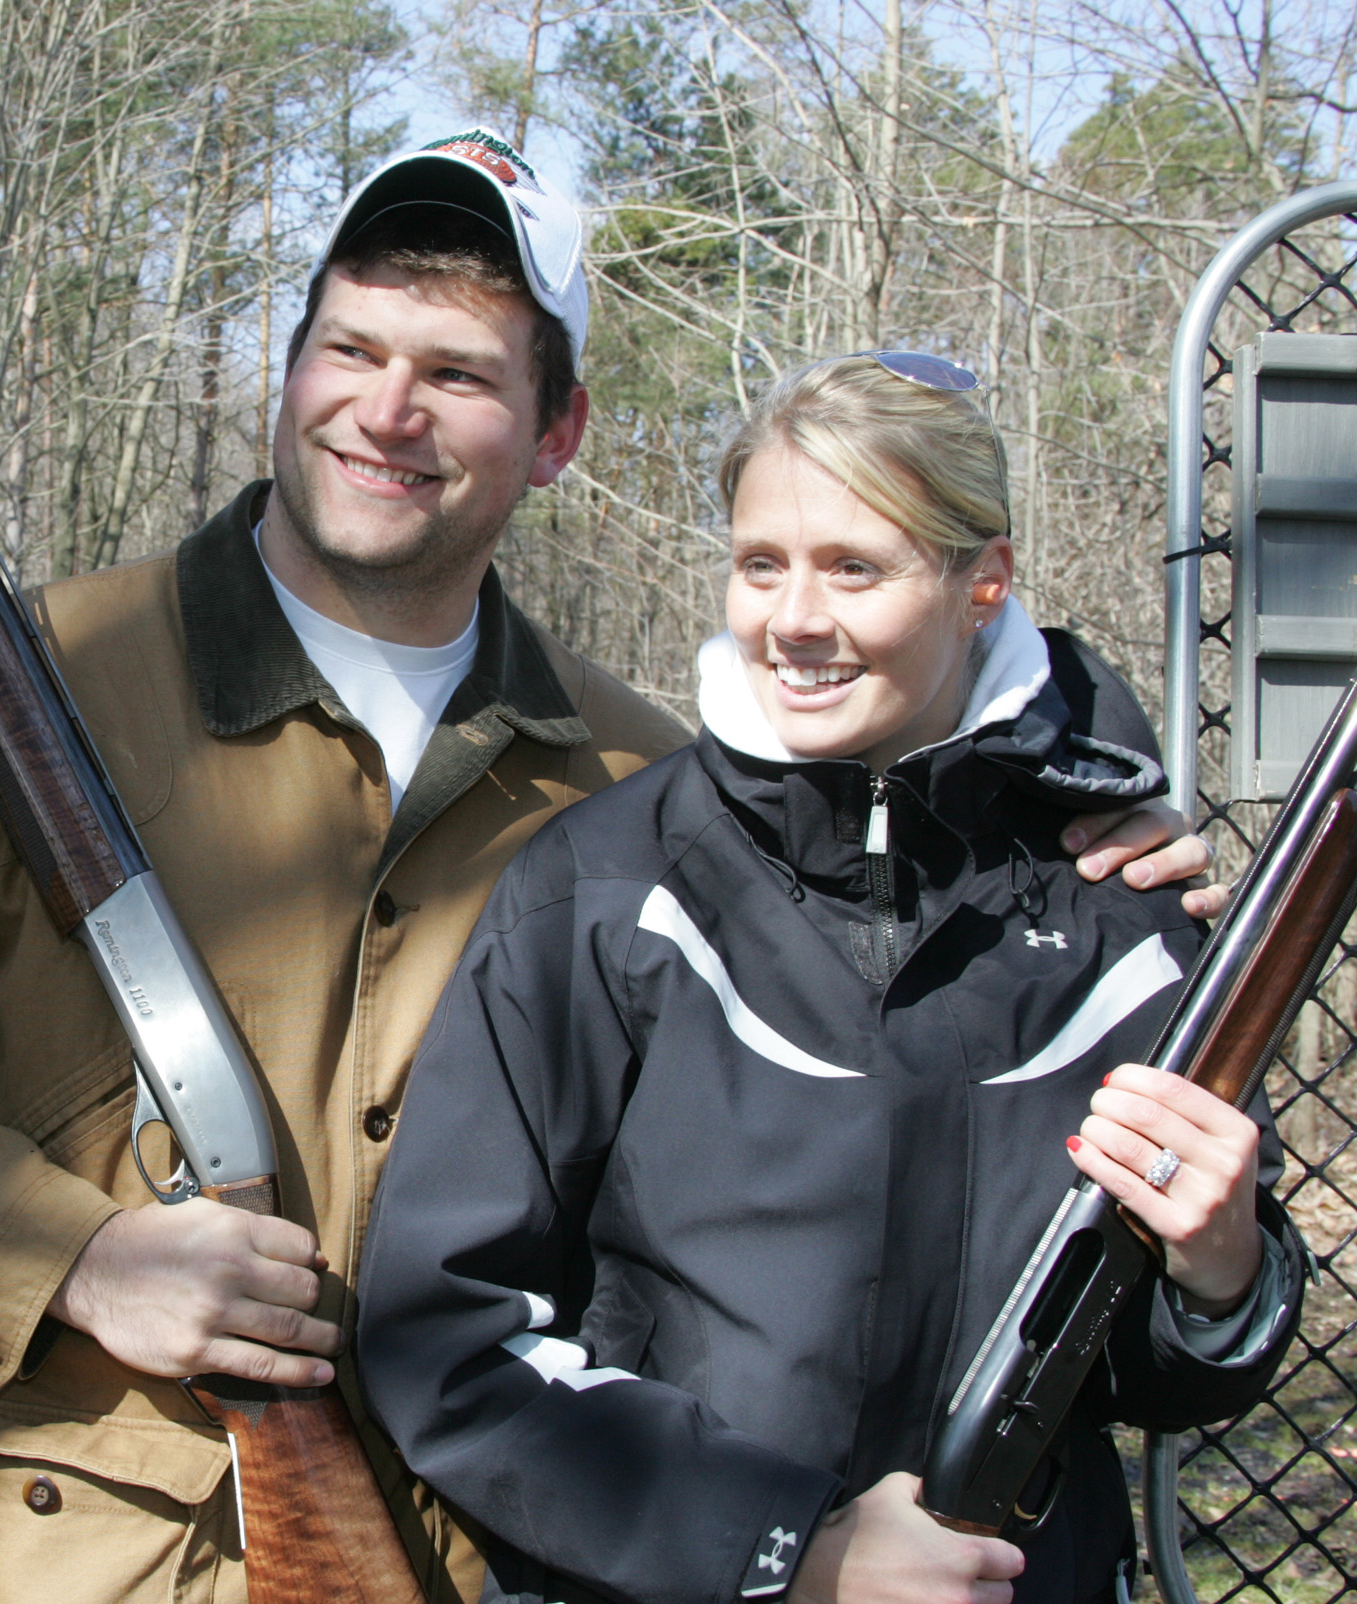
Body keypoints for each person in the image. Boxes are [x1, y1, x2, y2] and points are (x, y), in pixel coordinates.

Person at [0, 129, 1220, 1604]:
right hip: (69, 1556)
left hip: (477, 1554)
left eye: (458, 374)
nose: (385, 411)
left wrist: (1081, 844)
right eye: (350, 348)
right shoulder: (27, 689)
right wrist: (69, 1256)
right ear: (288, 376)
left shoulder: (638, 773)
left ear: (555, 435)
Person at [355, 354, 1302, 1604]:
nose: (792, 618)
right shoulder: (607, 889)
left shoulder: (1122, 910)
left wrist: (1222, 1263)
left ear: (983, 581)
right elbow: (449, 1335)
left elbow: (1160, 1378)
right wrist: (781, 1545)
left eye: (854, 566)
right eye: (760, 563)